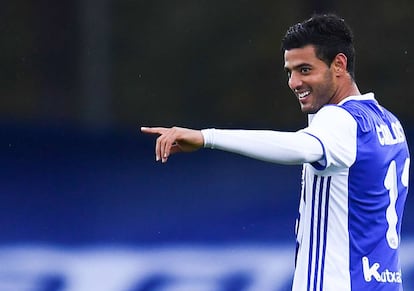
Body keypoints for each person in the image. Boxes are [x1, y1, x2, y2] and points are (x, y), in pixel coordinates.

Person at [141, 14, 410, 290]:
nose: (294, 82)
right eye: (289, 72)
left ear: (339, 64)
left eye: (305, 70)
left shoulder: (340, 121)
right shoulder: (389, 123)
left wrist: (206, 137)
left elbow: (297, 147)